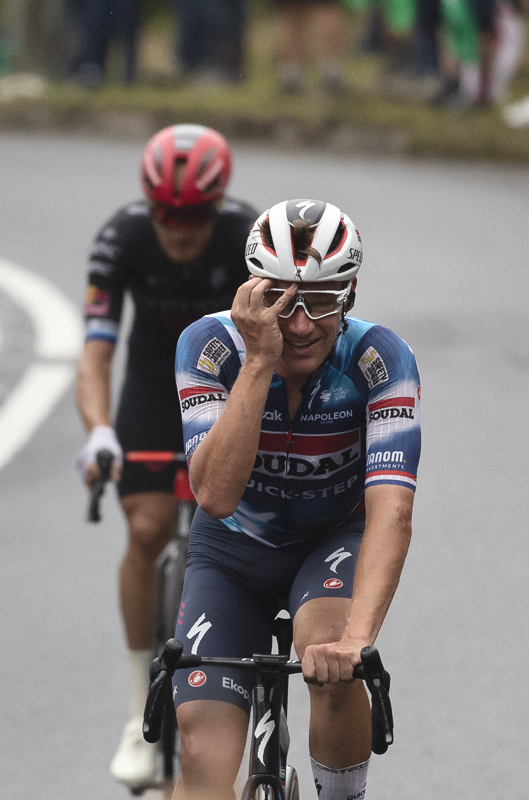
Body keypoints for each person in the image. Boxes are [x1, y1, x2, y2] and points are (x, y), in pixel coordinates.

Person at [170, 199, 420, 800]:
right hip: (230, 552)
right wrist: (258, 362)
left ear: (351, 292)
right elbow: (216, 495)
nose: (302, 324)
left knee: (329, 658)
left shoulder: (380, 360)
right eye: (283, 300)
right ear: (254, 292)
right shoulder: (211, 348)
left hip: (330, 544)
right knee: (202, 754)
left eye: (323, 300)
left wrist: (358, 639)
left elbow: (392, 510)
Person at [74, 123, 256, 789]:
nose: (178, 231)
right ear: (150, 209)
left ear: (217, 206)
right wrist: (99, 432)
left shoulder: (249, 238)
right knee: (148, 529)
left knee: (247, 532)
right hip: (155, 387)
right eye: (166, 215)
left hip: (235, 392)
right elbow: (96, 352)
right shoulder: (121, 237)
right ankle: (135, 713)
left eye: (193, 216)